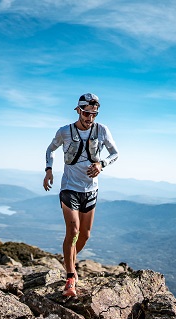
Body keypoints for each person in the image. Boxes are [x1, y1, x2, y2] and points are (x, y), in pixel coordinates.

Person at [43, 93, 119, 297]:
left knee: (85, 235)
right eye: (86, 113)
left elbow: (115, 154)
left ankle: (70, 260)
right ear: (78, 110)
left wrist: (101, 164)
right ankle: (70, 278)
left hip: (91, 189)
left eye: (93, 114)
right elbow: (50, 150)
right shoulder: (64, 131)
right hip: (69, 188)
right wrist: (48, 170)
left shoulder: (102, 130)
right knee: (74, 230)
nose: (90, 117)